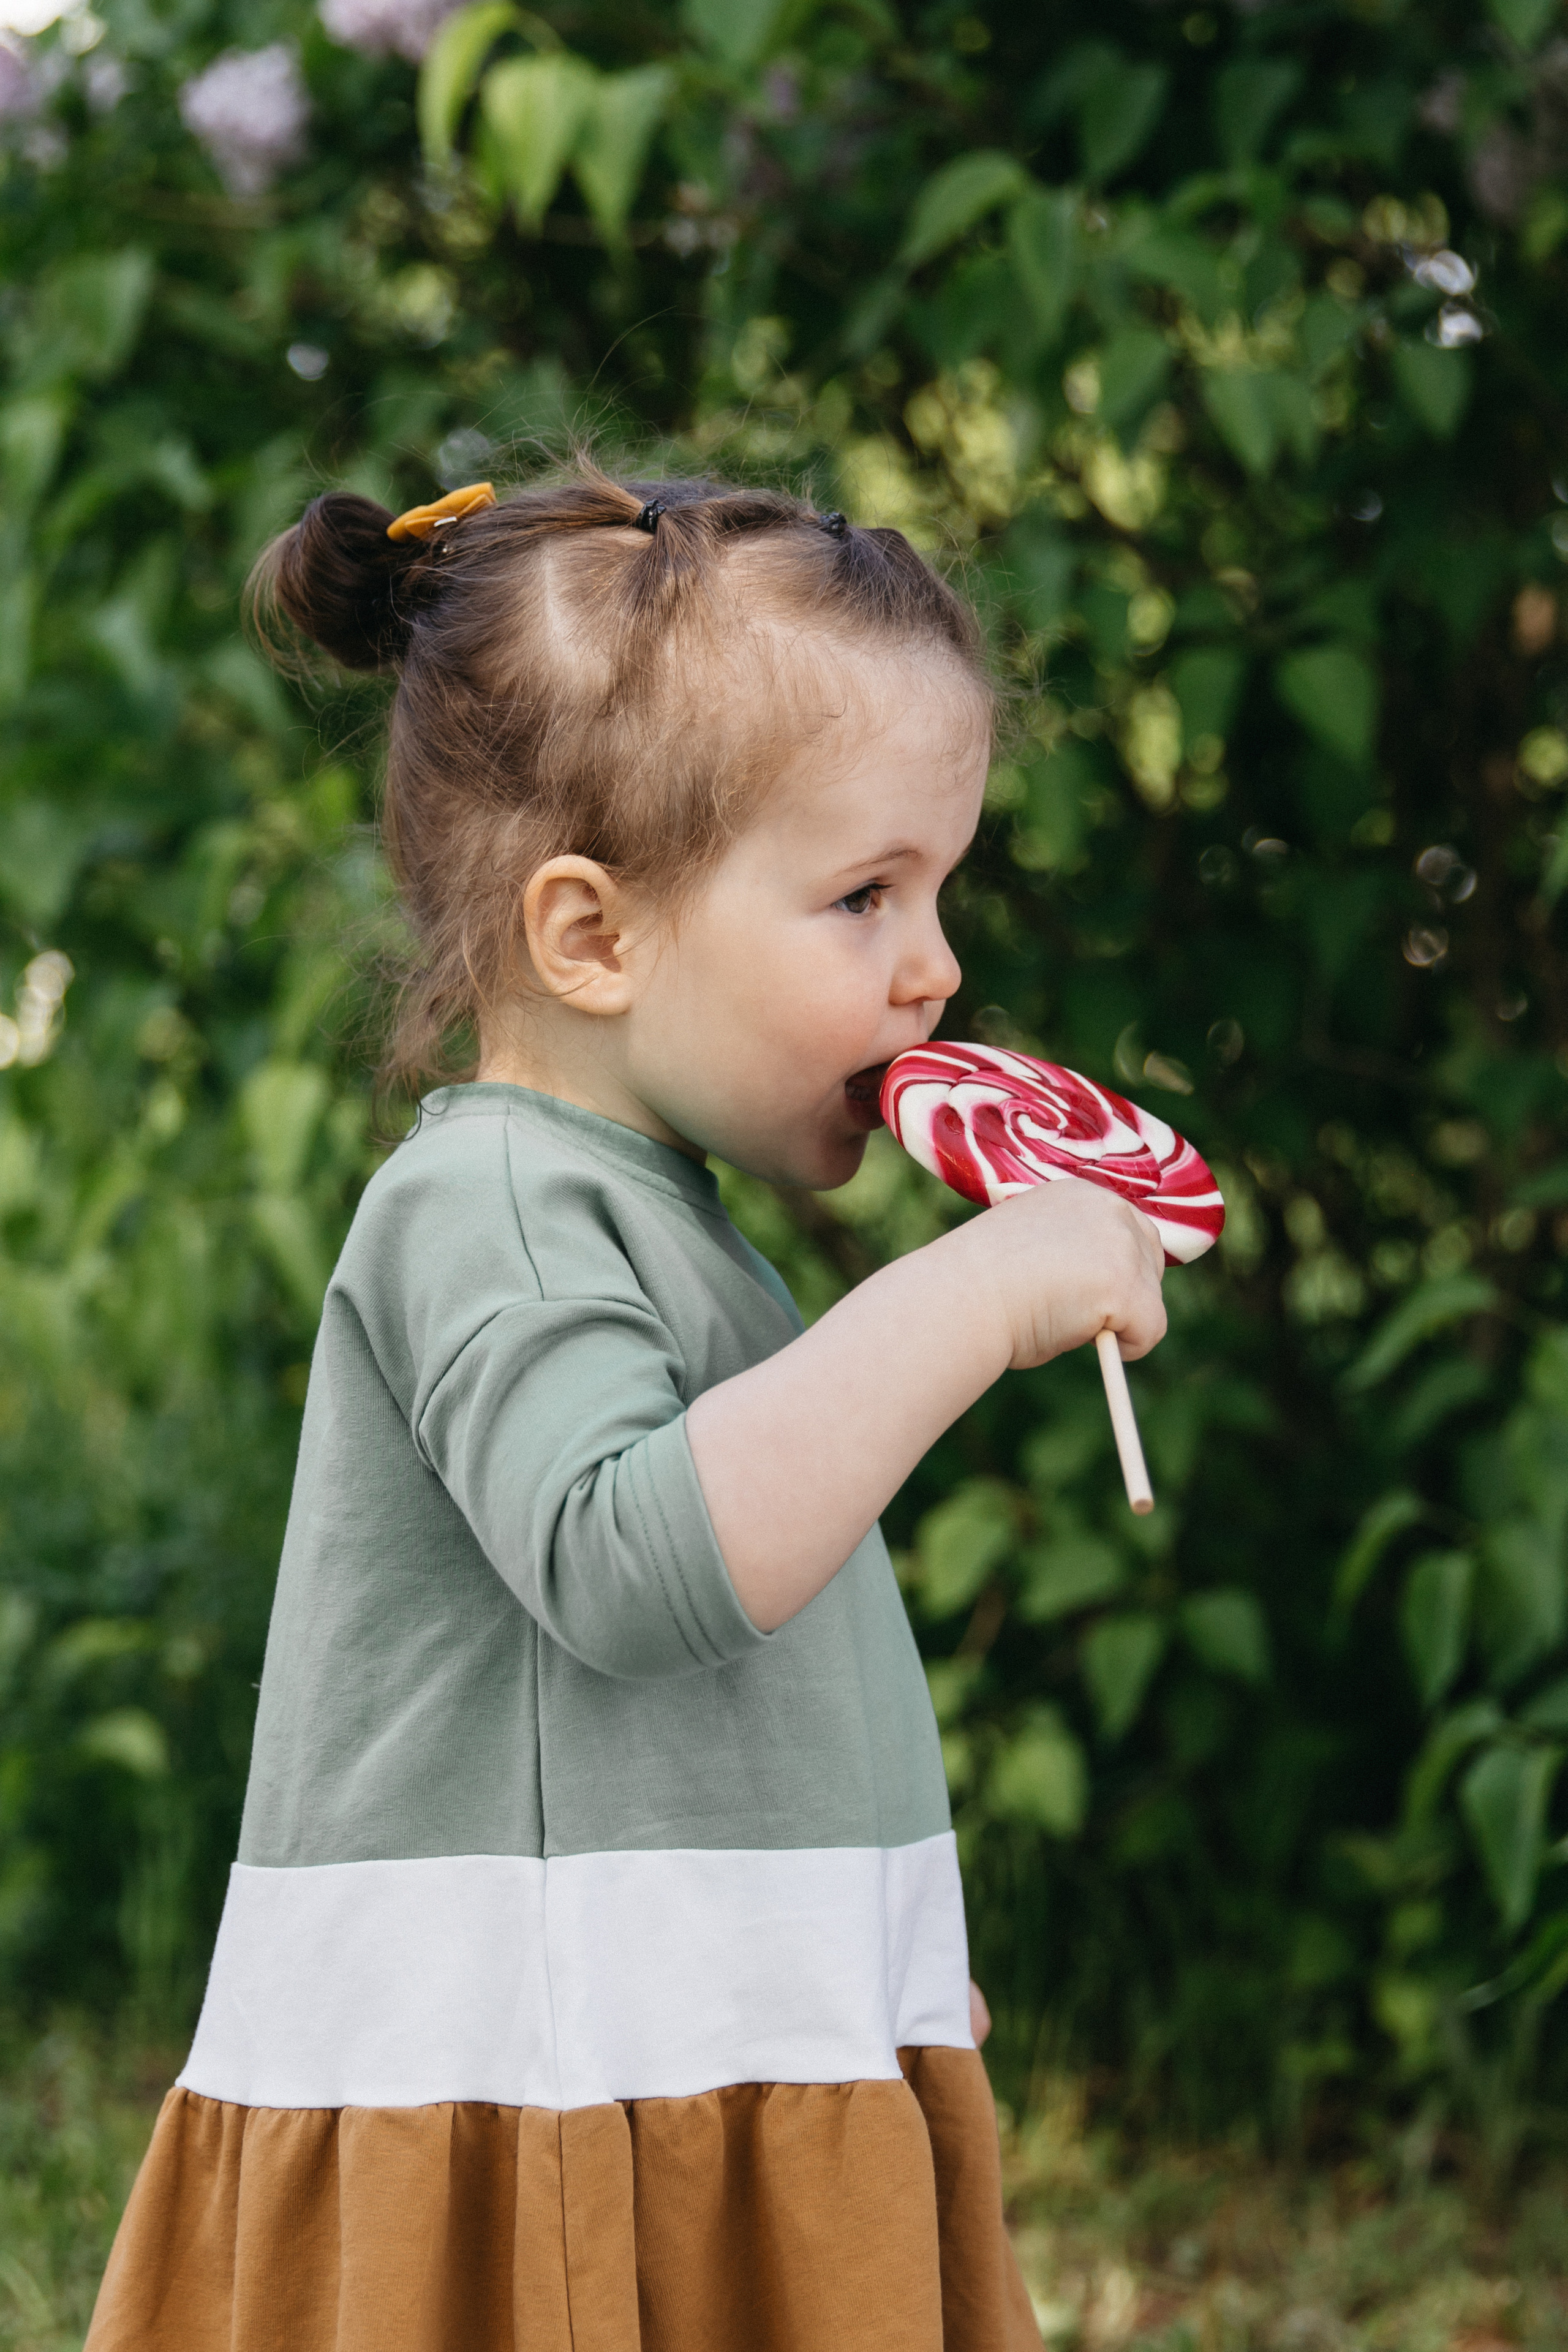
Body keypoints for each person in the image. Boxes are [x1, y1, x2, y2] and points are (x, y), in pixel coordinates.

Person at [86, 466, 1166, 2352]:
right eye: (862, 896)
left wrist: (858, 1962)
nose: (939, 967)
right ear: (590, 937)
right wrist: (979, 1289)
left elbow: (741, 1685)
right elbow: (639, 1561)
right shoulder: (489, 1207)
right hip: (527, 2110)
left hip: (680, 2055)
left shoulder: (657, 1221)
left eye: (942, 888)